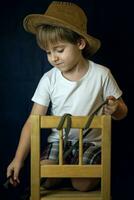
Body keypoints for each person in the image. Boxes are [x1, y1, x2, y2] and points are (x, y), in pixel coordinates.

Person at [7, 1, 128, 192]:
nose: (53, 58)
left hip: (91, 143)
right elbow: (32, 122)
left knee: (81, 184)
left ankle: (72, 173)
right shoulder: (49, 79)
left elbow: (122, 112)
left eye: (59, 50)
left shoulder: (102, 74)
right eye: (48, 52)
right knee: (44, 177)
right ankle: (60, 171)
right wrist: (18, 159)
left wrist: (116, 109)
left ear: (80, 43)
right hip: (59, 142)